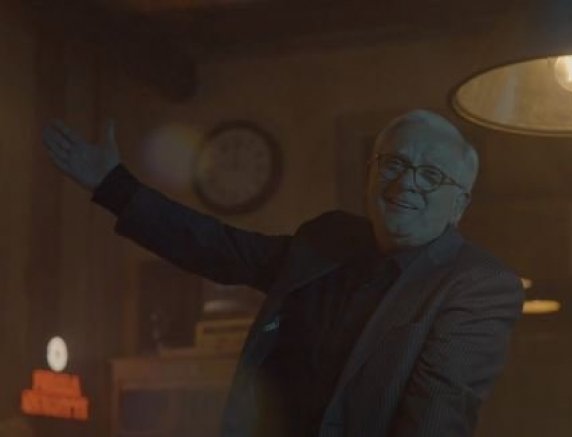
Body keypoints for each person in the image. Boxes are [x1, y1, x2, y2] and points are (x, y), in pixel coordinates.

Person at [42, 109, 524, 437]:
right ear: (371, 174)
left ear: (459, 205)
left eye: (432, 175)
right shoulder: (328, 238)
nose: (405, 183)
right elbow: (221, 249)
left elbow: (435, 420)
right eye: (393, 163)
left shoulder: (477, 284)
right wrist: (114, 186)